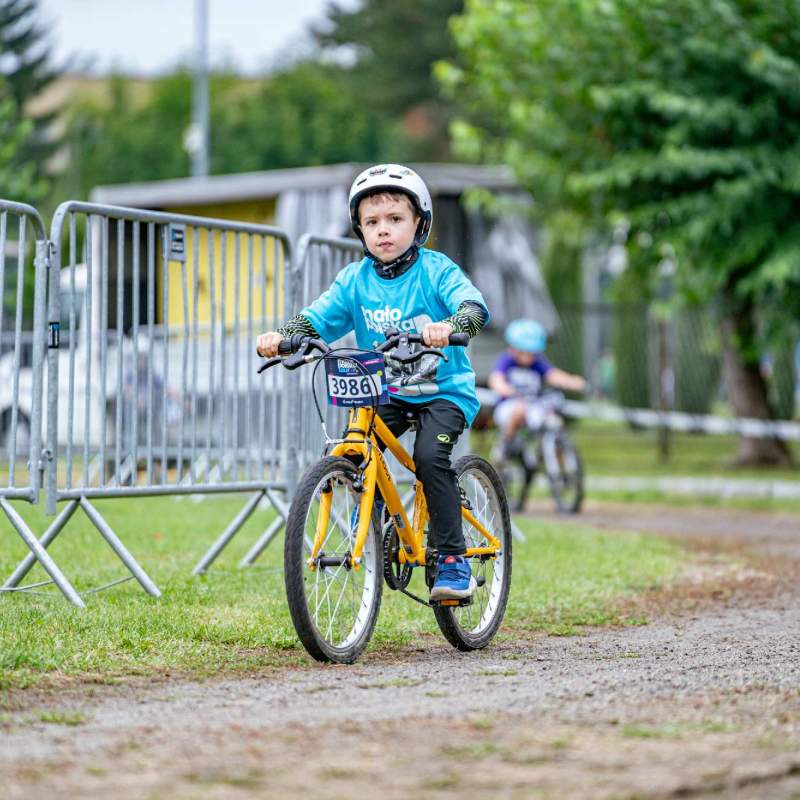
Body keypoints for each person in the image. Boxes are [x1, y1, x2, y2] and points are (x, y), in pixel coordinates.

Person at [256, 164, 489, 601]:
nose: (384, 230)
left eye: (395, 219)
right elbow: (317, 318)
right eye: (372, 222)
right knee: (358, 450)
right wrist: (285, 337)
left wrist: (452, 324)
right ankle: (385, 531)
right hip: (386, 391)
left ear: (419, 223)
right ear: (359, 230)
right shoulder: (354, 280)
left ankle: (453, 559)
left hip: (444, 392)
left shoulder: (436, 270)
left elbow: (473, 307)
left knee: (428, 457)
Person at [489, 319, 586, 460]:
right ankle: (505, 444)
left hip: (532, 405)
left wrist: (573, 382)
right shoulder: (507, 360)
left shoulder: (537, 363)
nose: (529, 356)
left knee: (552, 418)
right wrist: (505, 388)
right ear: (515, 348)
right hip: (509, 405)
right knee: (519, 410)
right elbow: (496, 379)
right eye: (525, 352)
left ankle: (551, 453)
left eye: (532, 353)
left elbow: (553, 375)